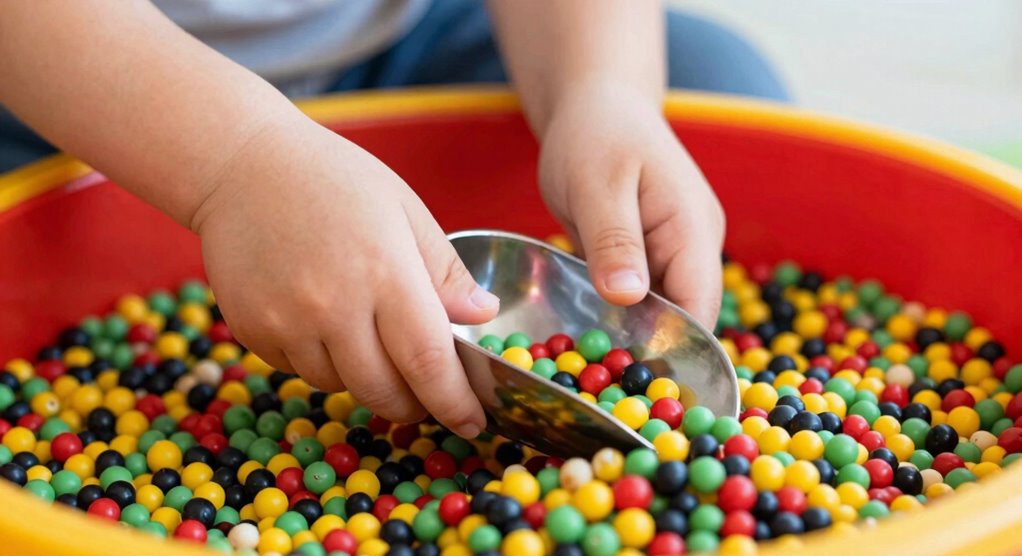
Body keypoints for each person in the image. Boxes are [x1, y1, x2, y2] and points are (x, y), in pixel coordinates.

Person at [0, 1, 787, 439]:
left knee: (712, 81)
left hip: (405, 39)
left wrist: (599, 88)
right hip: (76, 91)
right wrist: (235, 163)